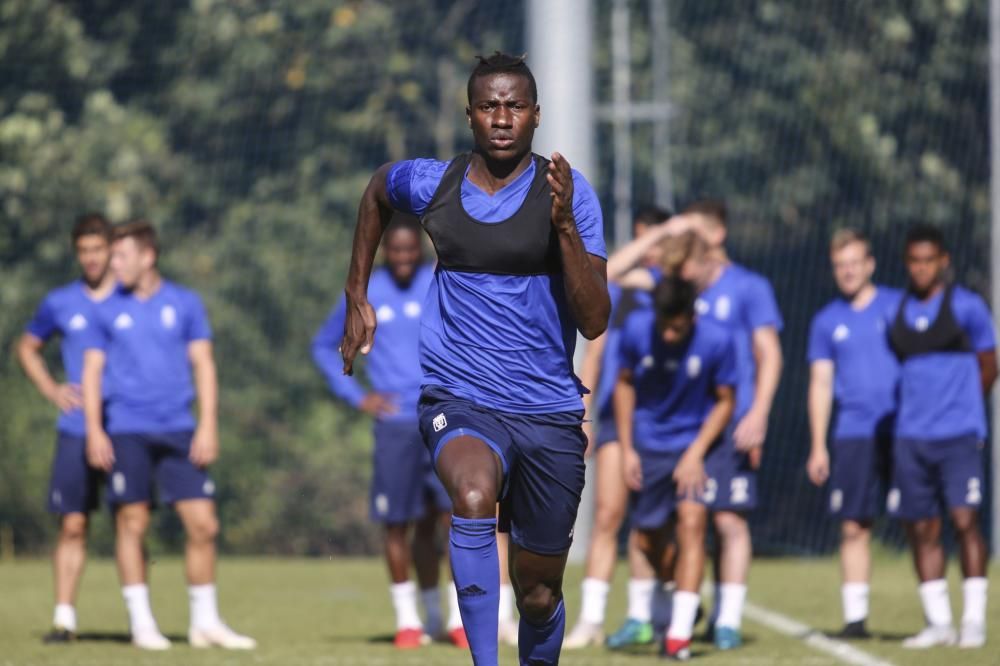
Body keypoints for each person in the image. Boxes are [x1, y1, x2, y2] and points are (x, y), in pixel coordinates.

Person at [339, 52, 609, 666]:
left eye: (515, 105)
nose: (502, 117)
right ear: (470, 116)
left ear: (536, 115)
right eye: (489, 106)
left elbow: (595, 320)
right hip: (460, 397)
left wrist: (564, 227)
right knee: (471, 497)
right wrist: (356, 291)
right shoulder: (437, 183)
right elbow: (380, 187)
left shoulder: (567, 193)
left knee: (538, 593)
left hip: (547, 412)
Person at [81, 221, 255, 651]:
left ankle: (205, 624)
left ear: (148, 257)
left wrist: (208, 424)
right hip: (126, 431)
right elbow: (91, 374)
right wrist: (94, 431)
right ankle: (142, 624)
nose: (112, 263)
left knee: (203, 524)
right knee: (133, 522)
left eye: (120, 255)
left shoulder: (185, 303)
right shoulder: (105, 309)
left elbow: (204, 365)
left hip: (180, 428)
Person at [312, 214, 465, 649]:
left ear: (421, 249)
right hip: (394, 425)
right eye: (394, 251)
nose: (402, 258)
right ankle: (411, 621)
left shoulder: (439, 283)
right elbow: (323, 347)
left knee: (453, 519)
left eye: (409, 250)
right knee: (399, 523)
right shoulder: (367, 292)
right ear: (384, 252)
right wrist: (358, 397)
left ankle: (453, 619)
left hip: (439, 419)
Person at [672, 214, 783, 651]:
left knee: (729, 518)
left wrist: (759, 412)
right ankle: (678, 612)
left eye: (685, 269)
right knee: (687, 520)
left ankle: (728, 620)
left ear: (704, 258)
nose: (679, 278)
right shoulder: (679, 291)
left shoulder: (749, 288)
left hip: (733, 421)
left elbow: (768, 354)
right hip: (682, 426)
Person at [564, 205, 671, 650]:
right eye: (642, 240)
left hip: (669, 424)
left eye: (657, 240)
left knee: (663, 526)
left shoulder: (678, 288)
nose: (649, 251)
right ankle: (590, 619)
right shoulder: (621, 292)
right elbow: (595, 352)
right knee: (607, 515)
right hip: (619, 420)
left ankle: (658, 613)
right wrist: (584, 413)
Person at [887, 225, 996, 649]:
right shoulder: (897, 312)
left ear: (943, 261)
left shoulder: (967, 307)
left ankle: (973, 620)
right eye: (913, 261)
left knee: (965, 519)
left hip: (958, 434)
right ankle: (938, 622)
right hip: (911, 436)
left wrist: (964, 404)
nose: (920, 268)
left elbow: (989, 363)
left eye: (928, 260)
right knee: (921, 527)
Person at [616, 276, 737, 660]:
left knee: (692, 527)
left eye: (677, 327)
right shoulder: (635, 330)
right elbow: (622, 384)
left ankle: (678, 636)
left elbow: (725, 400)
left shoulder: (717, 339)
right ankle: (682, 594)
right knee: (647, 540)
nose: (669, 335)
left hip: (695, 448)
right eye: (663, 326)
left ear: (692, 317)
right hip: (648, 446)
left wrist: (696, 451)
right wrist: (626, 448)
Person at [16, 213, 116, 642]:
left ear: (111, 249)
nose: (91, 258)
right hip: (76, 428)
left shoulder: (130, 298)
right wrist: (52, 389)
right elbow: (27, 346)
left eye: (98, 249)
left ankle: (143, 618)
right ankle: (64, 620)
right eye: (84, 251)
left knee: (134, 521)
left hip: (126, 424)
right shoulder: (61, 302)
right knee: (73, 524)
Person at [806, 229, 900, 638]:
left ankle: (941, 621)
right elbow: (821, 384)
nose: (847, 271)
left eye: (854, 263)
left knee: (923, 522)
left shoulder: (898, 307)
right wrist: (817, 445)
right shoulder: (827, 321)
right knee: (853, 525)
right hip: (852, 434)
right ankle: (856, 619)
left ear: (870, 264)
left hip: (903, 431)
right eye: (840, 265)